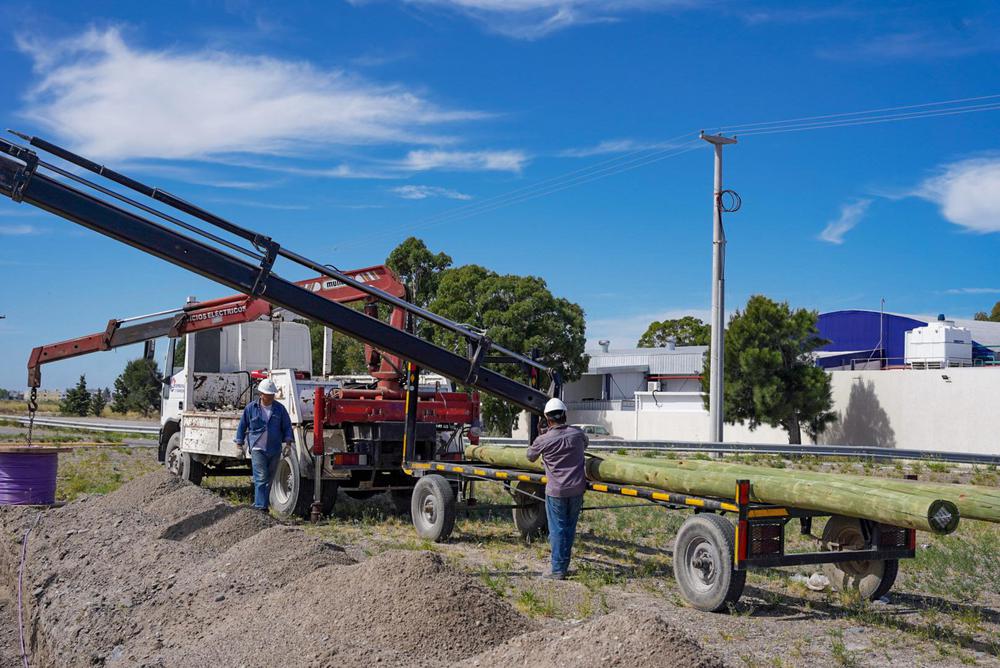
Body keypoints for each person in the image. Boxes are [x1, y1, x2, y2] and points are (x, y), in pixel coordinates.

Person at [526, 397, 588, 580]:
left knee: (557, 529)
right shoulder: (577, 434)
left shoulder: (543, 439)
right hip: (577, 489)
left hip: (557, 492)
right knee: (569, 527)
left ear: (547, 418)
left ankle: (557, 570)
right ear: (565, 415)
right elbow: (585, 444)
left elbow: (530, 456)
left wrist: (541, 437)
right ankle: (563, 565)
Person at [234, 378, 294, 512]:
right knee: (261, 477)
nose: (271, 397)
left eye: (272, 394)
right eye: (268, 394)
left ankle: (262, 506)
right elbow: (242, 426)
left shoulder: (279, 409)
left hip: (274, 449)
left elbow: (287, 427)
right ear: (261, 394)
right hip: (258, 448)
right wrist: (239, 445)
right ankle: (260, 508)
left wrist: (288, 444)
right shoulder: (251, 408)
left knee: (269, 479)